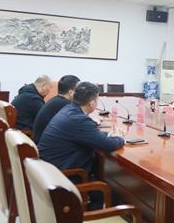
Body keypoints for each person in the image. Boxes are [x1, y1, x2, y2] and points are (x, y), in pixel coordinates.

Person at [38, 82, 125, 210]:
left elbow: (86, 134)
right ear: (92, 103)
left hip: (50, 171)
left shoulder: (69, 110)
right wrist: (119, 138)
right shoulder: (79, 120)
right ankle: (76, 214)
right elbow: (108, 145)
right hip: (63, 177)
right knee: (111, 197)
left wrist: (109, 134)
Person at [32, 75, 80, 144]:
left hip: (42, 141)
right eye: (78, 91)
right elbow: (80, 123)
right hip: (46, 145)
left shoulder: (56, 100)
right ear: (71, 92)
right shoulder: (66, 105)